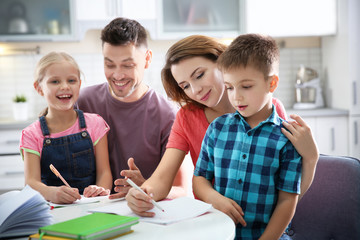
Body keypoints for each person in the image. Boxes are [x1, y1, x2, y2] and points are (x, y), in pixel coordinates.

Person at [125, 35, 318, 218]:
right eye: (185, 86)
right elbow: (161, 179)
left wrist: (311, 158)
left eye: (199, 75)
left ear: (222, 62)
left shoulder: (269, 110)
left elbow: (289, 193)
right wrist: (143, 194)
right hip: (213, 221)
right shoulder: (187, 117)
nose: (196, 90)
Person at [193, 33, 303, 239]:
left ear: (272, 83)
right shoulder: (217, 128)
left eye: (246, 86)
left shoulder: (287, 138)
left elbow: (287, 201)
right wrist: (215, 198)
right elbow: (200, 178)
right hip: (220, 234)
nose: (236, 96)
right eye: (230, 87)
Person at [76, 17, 180, 198]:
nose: (117, 74)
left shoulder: (168, 115)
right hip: (91, 213)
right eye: (109, 64)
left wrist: (147, 187)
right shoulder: (83, 102)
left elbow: (182, 189)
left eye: (127, 65)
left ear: (147, 59)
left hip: (143, 215)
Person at [20, 52, 112, 204]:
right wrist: (51, 192)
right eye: (55, 81)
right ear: (39, 88)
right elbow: (31, 183)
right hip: (52, 208)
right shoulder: (31, 134)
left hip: (92, 206)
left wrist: (99, 190)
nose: (65, 86)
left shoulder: (96, 124)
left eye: (71, 80)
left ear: (79, 85)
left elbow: (105, 173)